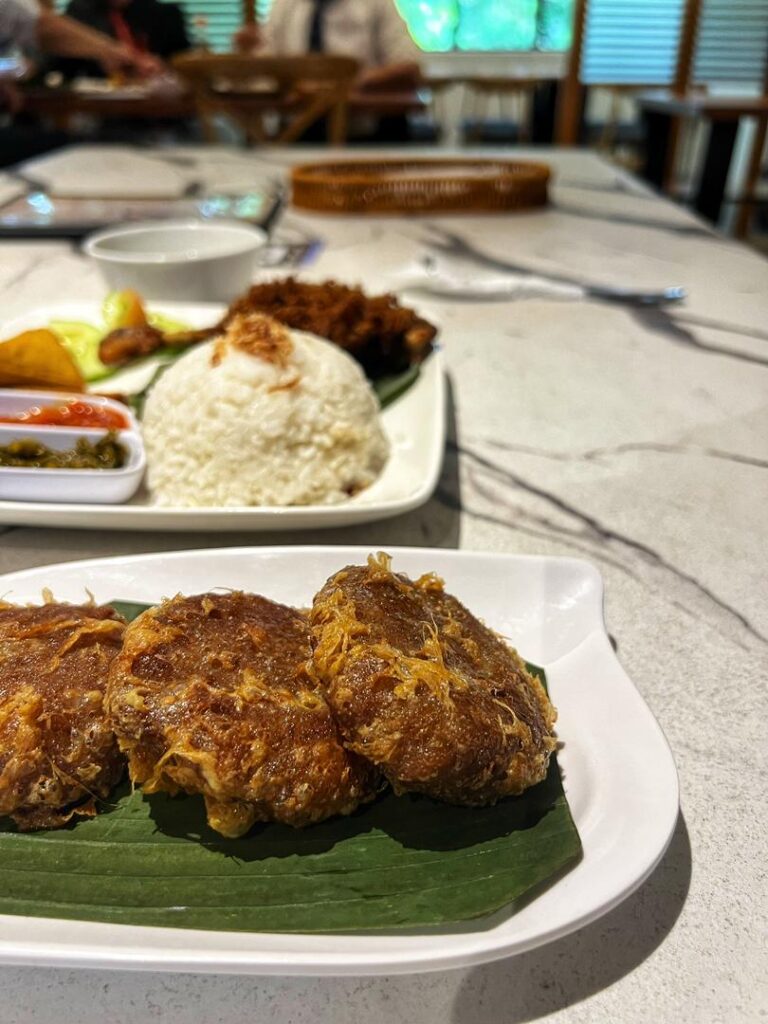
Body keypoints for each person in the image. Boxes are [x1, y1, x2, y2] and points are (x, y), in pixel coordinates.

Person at [233, 0, 422, 140]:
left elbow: (408, 65)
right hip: (300, 132)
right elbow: (266, 64)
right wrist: (248, 55)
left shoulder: (376, 4)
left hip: (365, 134)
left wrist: (346, 84)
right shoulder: (285, 5)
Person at [56, 0, 190, 79]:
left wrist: (163, 67)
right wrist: (97, 53)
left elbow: (188, 67)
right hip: (99, 113)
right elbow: (60, 69)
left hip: (161, 112)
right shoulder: (80, 13)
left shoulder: (166, 15)